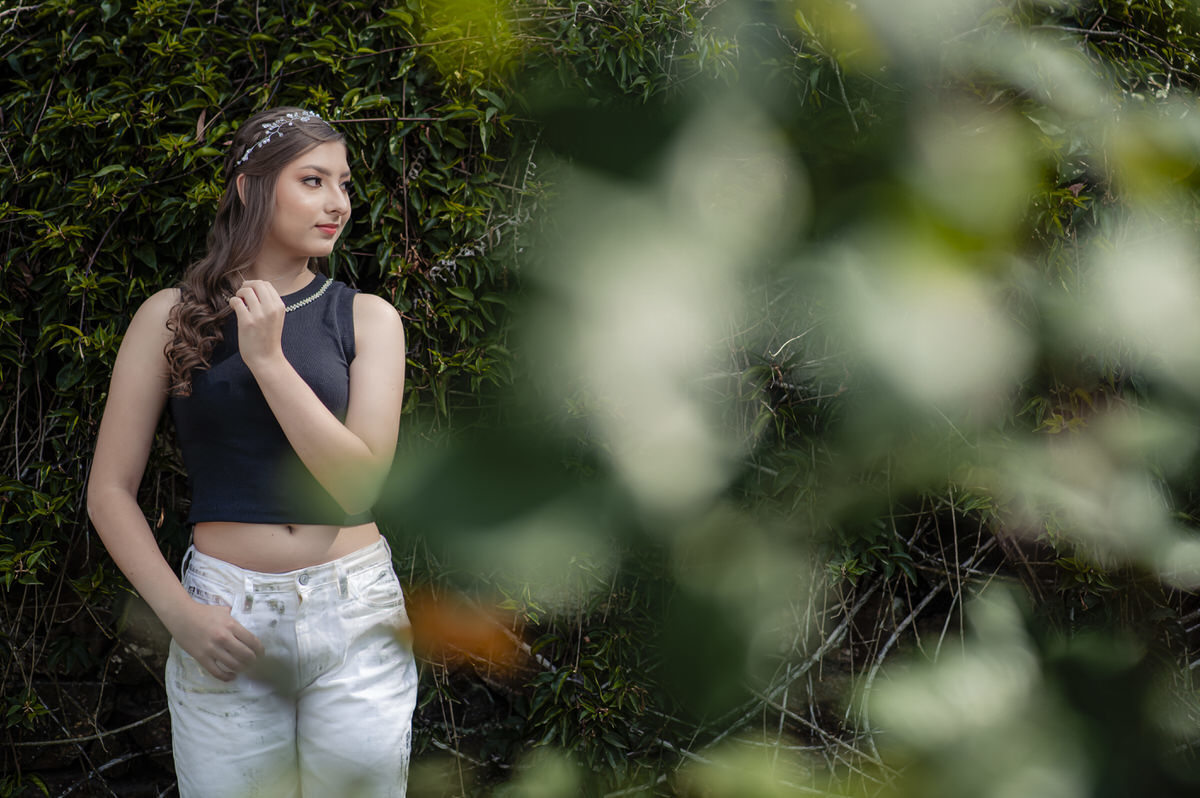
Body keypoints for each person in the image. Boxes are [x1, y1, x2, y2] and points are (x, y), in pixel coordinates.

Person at [87, 107, 417, 798]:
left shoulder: (367, 318)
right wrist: (181, 614)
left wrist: (267, 360)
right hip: (226, 617)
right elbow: (110, 490)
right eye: (314, 180)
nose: (339, 204)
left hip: (355, 614)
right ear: (250, 188)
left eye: (345, 184)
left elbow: (359, 487)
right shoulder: (169, 316)